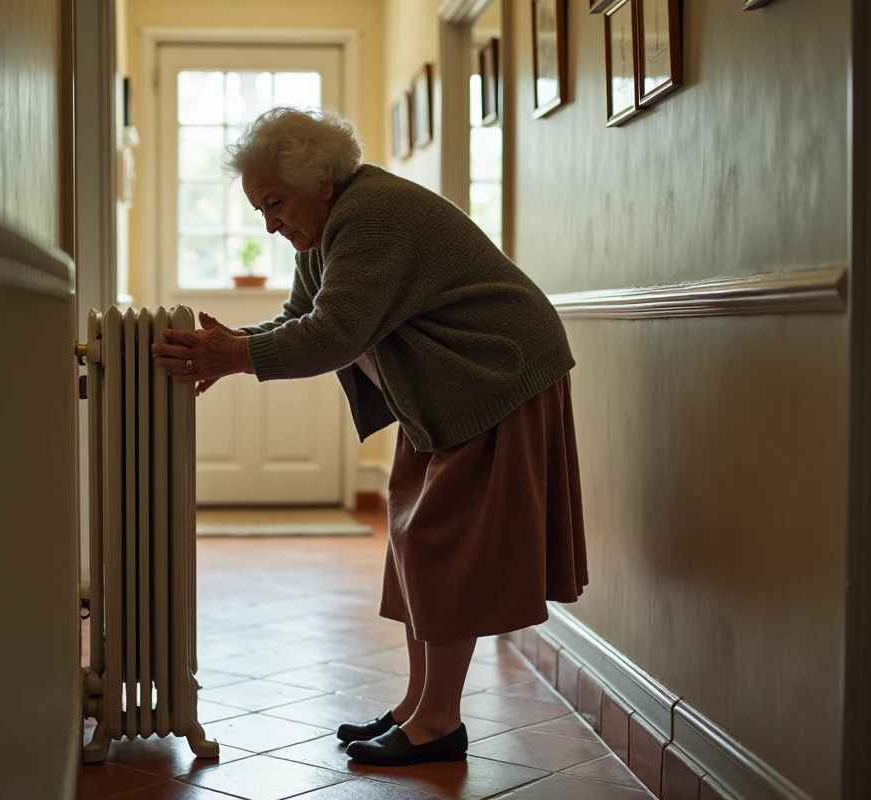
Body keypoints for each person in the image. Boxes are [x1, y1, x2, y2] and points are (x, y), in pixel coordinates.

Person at [150, 106, 588, 767]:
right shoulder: (324, 230)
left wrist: (231, 355)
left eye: (275, 202)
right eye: (259, 207)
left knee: (442, 544)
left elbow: (335, 336)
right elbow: (302, 317)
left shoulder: (372, 214)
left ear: (322, 179)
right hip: (443, 386)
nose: (269, 223)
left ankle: (438, 722)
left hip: (495, 372)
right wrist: (232, 346)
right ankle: (419, 707)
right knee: (414, 537)